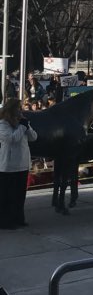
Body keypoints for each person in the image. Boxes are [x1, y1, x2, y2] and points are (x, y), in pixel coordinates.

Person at [0, 98, 38, 229]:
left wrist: (27, 127)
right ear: (11, 109)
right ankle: (5, 221)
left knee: (20, 195)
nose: (20, 110)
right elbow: (12, 139)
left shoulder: (22, 122)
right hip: (8, 166)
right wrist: (22, 126)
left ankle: (18, 218)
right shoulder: (3, 124)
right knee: (7, 196)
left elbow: (34, 137)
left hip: (22, 164)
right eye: (17, 108)